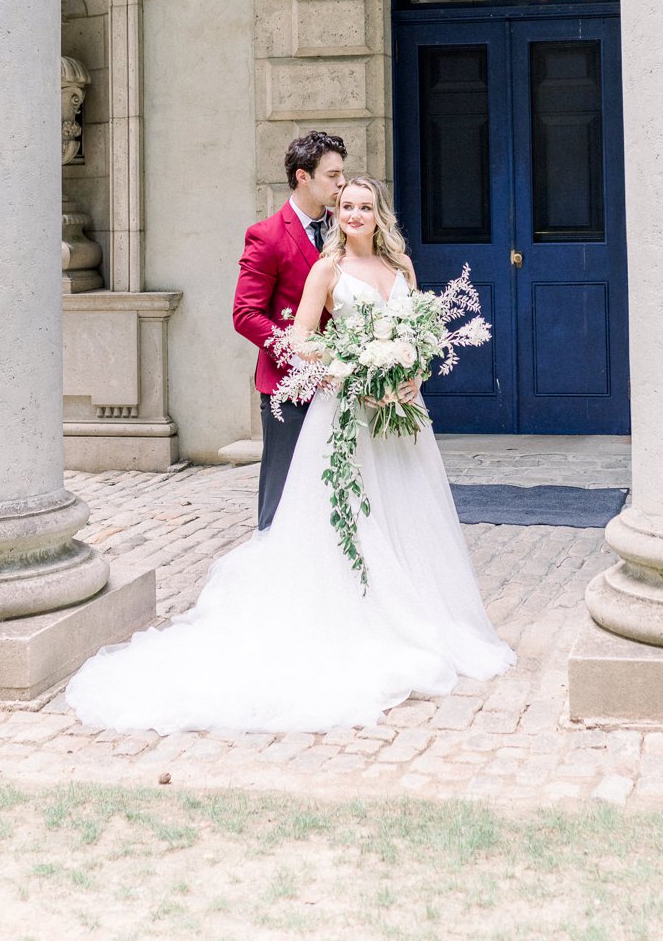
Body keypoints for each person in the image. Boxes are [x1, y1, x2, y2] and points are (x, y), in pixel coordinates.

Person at [64, 175, 515, 735]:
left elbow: (420, 339)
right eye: (346, 205)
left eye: (364, 207)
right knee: (350, 514)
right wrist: (349, 367)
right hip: (348, 410)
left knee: (406, 509)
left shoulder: (401, 271)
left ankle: (423, 613)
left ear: (379, 214)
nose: (354, 214)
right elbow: (301, 337)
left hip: (399, 418)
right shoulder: (326, 271)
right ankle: (358, 616)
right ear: (338, 213)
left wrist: (412, 374)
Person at [232, 130, 347, 530]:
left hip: (344, 383)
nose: (341, 184)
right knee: (282, 489)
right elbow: (245, 314)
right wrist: (298, 353)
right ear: (303, 176)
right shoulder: (266, 235)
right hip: (289, 385)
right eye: (332, 176)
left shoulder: (346, 229)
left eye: (342, 175)